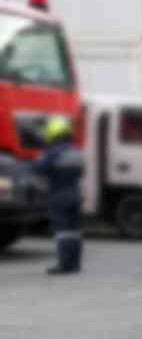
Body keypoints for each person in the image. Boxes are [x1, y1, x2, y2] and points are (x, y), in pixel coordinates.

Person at [33, 115, 85, 275]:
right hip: (75, 194)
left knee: (62, 231)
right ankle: (75, 264)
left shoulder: (53, 152)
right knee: (74, 230)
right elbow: (81, 171)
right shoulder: (75, 151)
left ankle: (64, 265)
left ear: (52, 133)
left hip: (59, 195)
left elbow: (39, 168)